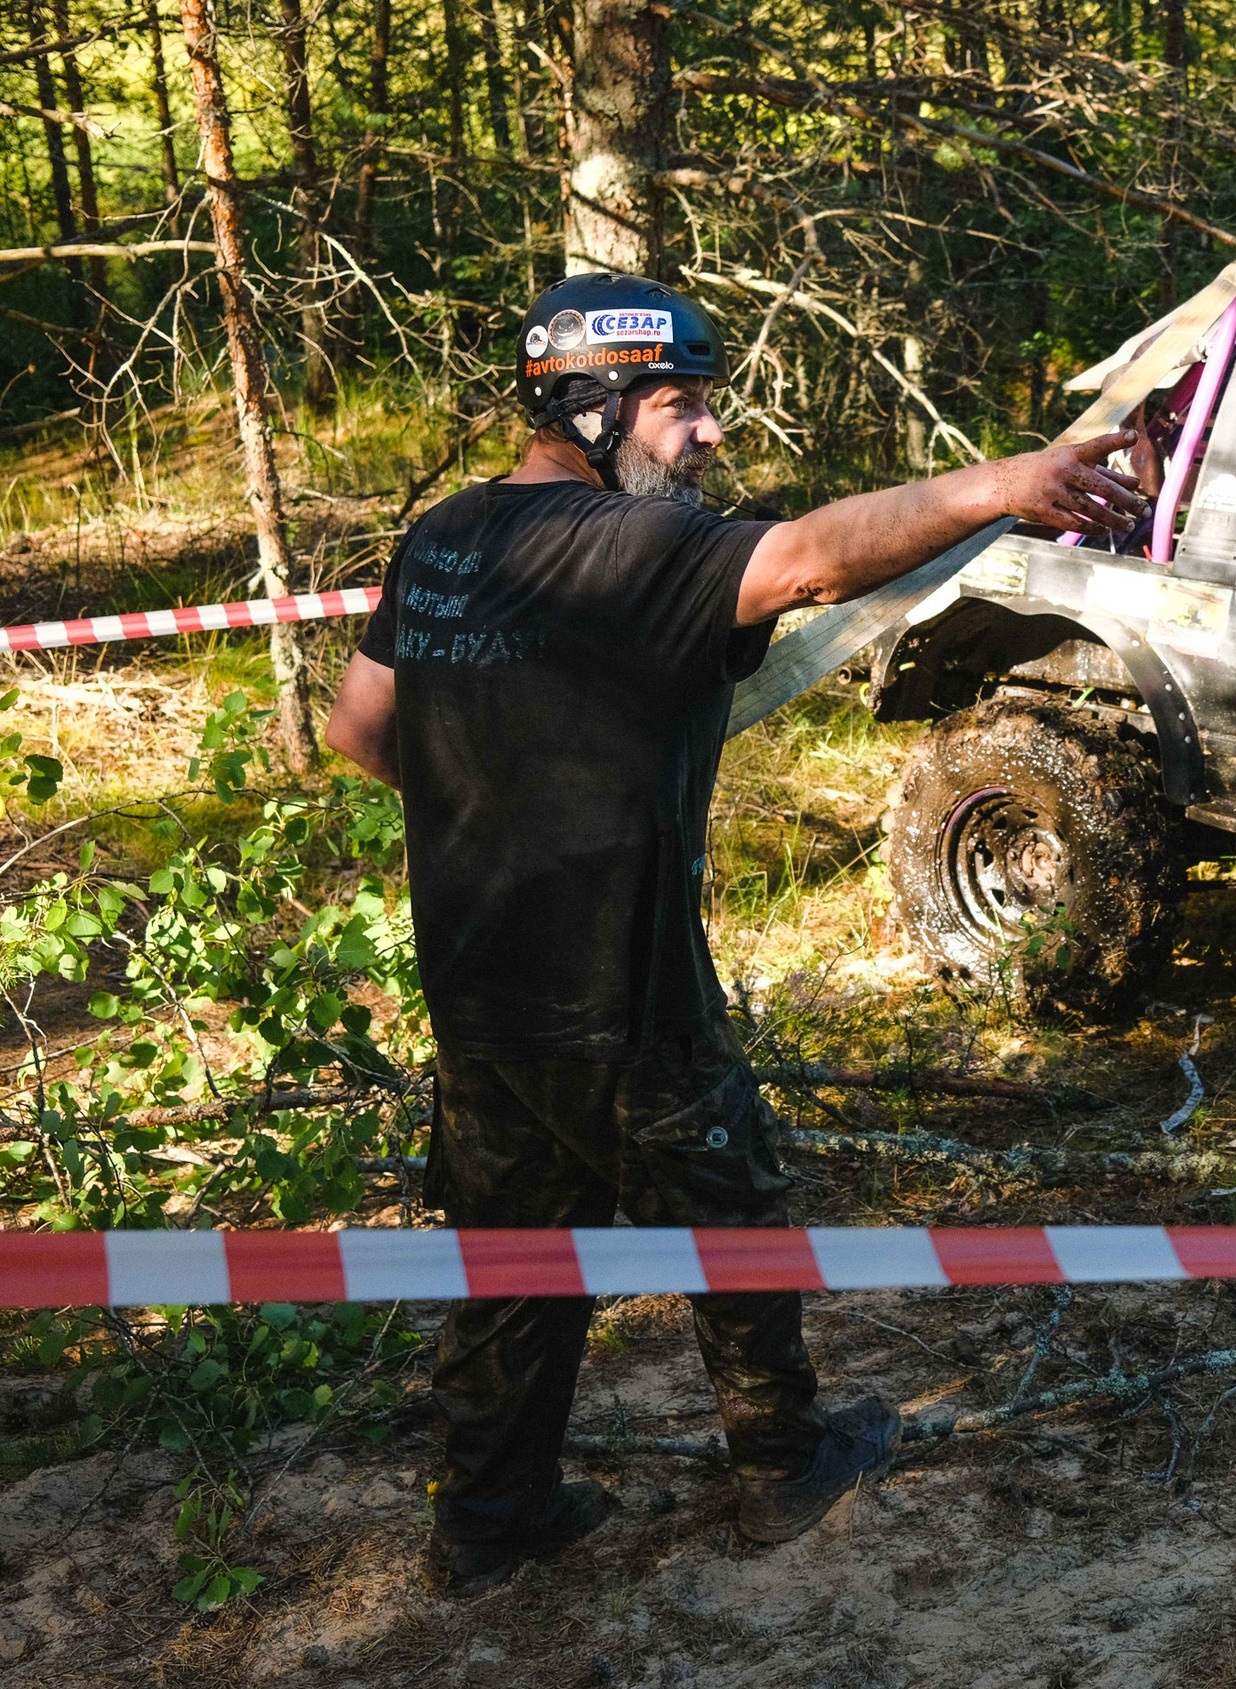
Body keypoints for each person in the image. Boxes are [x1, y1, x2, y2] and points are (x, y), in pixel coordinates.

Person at [323, 273, 1143, 1597]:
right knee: (736, 1214)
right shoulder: (627, 548)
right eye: (680, 404)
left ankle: (486, 1518)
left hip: (479, 994)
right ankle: (783, 1470)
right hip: (621, 989)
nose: (706, 433)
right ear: (589, 403)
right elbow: (815, 553)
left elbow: (358, 730)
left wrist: (511, 784)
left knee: (514, 1257)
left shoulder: (442, 538)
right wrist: (1007, 483)